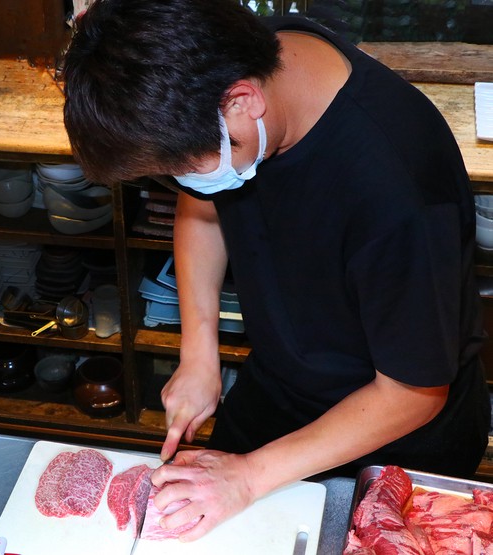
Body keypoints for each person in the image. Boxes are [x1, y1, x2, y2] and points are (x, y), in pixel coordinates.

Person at [62, 0, 492, 542]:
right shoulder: (224, 65)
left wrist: (247, 477)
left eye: (182, 167)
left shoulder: (399, 192)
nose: (183, 181)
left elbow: (414, 392)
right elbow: (203, 206)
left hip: (391, 432)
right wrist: (199, 353)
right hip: (277, 386)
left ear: (244, 101)